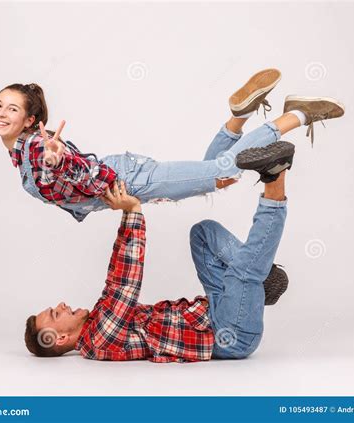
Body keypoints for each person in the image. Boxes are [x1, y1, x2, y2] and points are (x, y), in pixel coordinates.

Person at [24, 140, 296, 362]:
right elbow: (123, 286)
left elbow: (113, 283)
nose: (61, 305)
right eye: (56, 314)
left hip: (215, 308)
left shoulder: (97, 318)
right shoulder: (98, 341)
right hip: (231, 333)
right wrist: (132, 211)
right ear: (59, 339)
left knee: (203, 234)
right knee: (242, 272)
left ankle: (257, 282)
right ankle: (275, 176)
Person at [0, 68, 344, 222]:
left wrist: (58, 162)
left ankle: (294, 116)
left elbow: (68, 168)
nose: (1, 113)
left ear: (30, 121)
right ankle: (239, 116)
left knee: (223, 171)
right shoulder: (20, 152)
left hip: (130, 180)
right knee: (217, 174)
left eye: (12, 108)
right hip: (129, 176)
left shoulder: (34, 149)